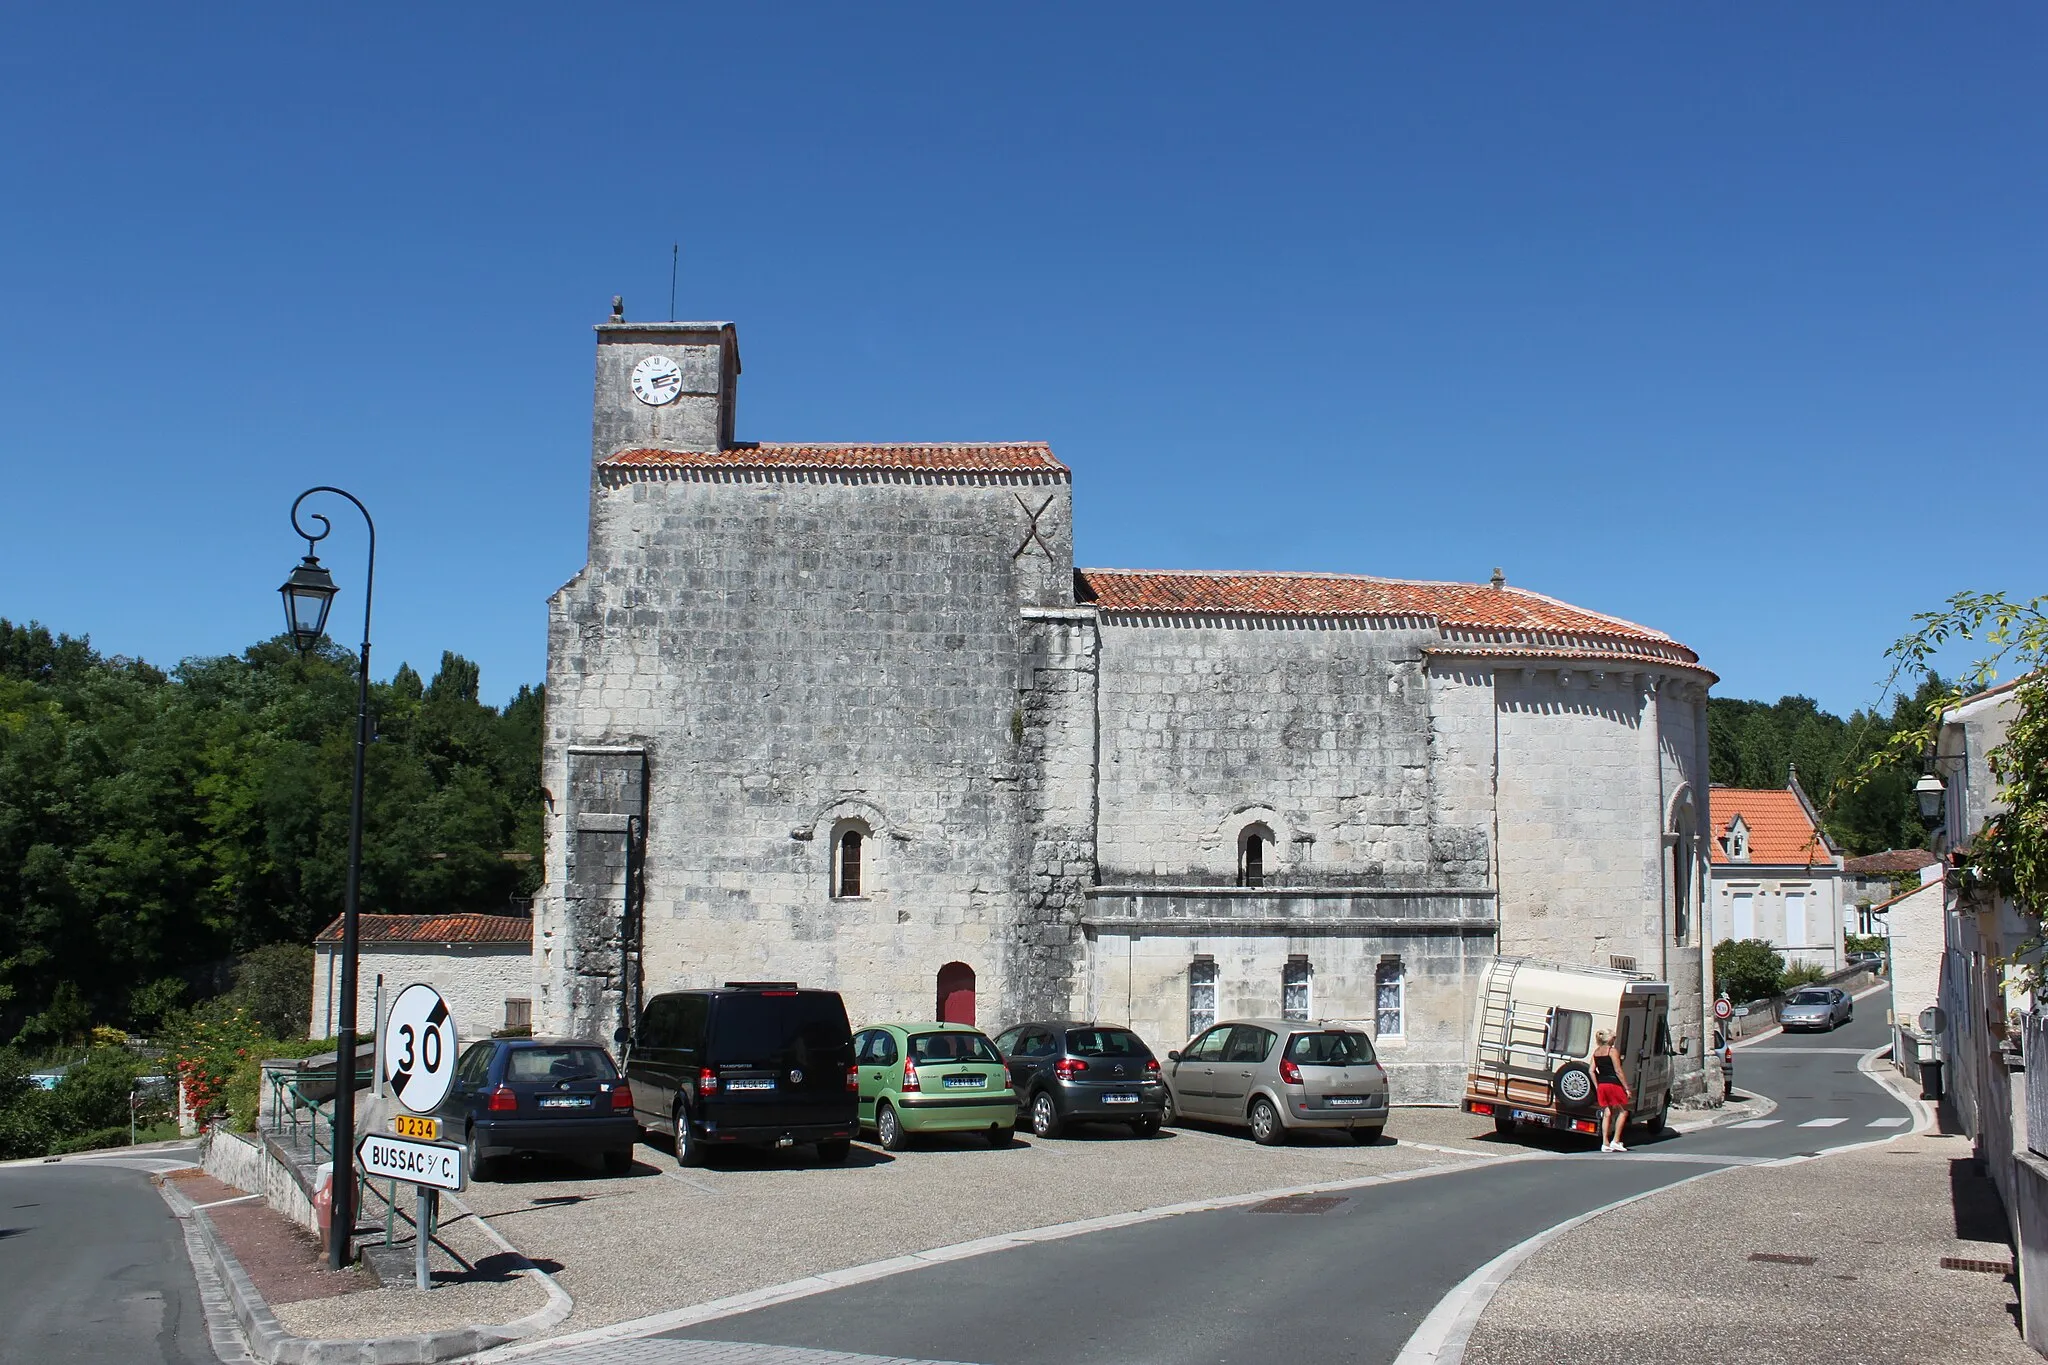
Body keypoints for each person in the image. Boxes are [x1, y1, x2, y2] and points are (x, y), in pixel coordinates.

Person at [1592, 1028, 1631, 1152]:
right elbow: (1618, 1071)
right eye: (1614, 1038)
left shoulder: (1596, 1052)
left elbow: (1591, 1070)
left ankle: (1605, 1143)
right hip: (1613, 1083)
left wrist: (1597, 1085)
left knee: (1607, 1113)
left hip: (1602, 1085)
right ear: (1609, 1039)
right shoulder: (1612, 1051)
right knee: (1623, 1111)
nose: (1614, 1040)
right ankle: (1616, 1140)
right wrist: (1626, 1088)